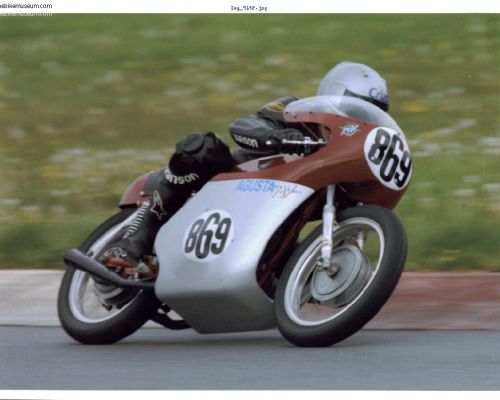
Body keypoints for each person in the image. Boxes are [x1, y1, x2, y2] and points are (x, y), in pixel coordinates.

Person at [100, 61, 390, 276]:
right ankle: (130, 244)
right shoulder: (295, 109)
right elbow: (243, 126)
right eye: (352, 104)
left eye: (367, 109)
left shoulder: (340, 156)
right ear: (333, 93)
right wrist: (282, 137)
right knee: (201, 146)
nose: (356, 115)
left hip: (267, 217)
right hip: (235, 181)